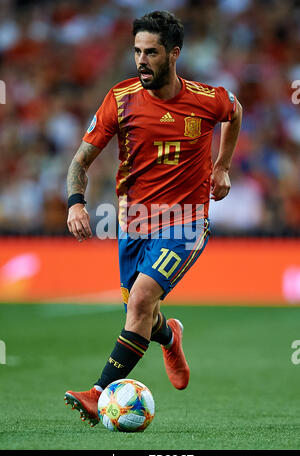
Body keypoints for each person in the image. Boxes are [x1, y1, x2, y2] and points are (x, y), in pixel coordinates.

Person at [64, 10, 242, 427]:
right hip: (134, 222)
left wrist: (221, 166)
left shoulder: (204, 98)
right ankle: (170, 335)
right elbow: (80, 161)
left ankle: (98, 393)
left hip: (186, 221)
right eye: (137, 51)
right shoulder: (120, 100)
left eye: (152, 52)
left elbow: (234, 111)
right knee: (138, 314)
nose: (141, 60)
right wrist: (75, 202)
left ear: (174, 54)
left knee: (141, 301)